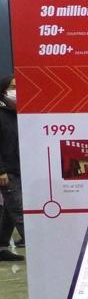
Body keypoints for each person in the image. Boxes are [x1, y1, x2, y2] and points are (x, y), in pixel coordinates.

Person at [0, 76, 25, 263]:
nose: (16, 91)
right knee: (20, 212)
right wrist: (1, 170)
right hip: (6, 171)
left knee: (9, 212)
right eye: (12, 87)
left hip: (18, 168)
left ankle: (1, 248)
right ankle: (42, 248)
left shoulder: (15, 112)